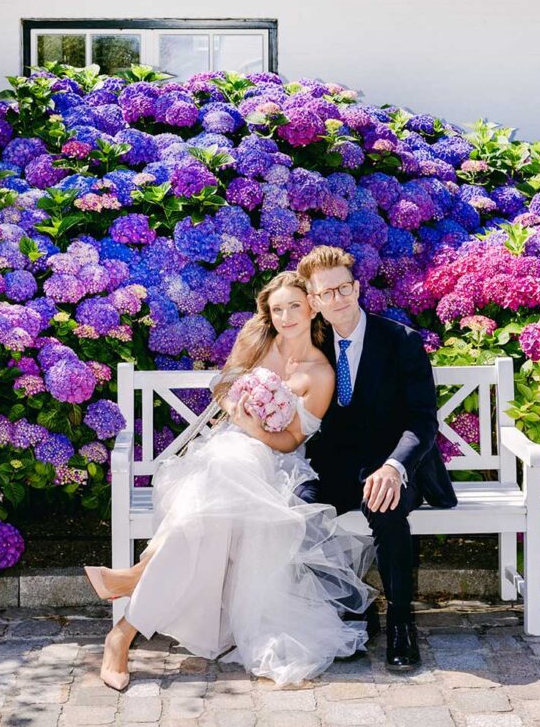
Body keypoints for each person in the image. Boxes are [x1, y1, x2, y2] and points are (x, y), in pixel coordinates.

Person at [84, 271, 376, 690]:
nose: (286, 316)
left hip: (272, 462)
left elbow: (292, 438)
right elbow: (223, 388)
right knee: (214, 506)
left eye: (295, 305)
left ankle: (129, 609)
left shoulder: (322, 372)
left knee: (213, 503)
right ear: (269, 314)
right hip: (224, 449)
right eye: (277, 309)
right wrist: (241, 403)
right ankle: (123, 627)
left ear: (312, 306)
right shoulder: (255, 341)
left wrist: (253, 424)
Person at [295, 245, 458, 671]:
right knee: (294, 510)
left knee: (385, 509)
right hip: (335, 468)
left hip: (392, 465)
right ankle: (353, 602)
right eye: (326, 293)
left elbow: (423, 421)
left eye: (344, 288)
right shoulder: (311, 346)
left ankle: (401, 622)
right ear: (313, 301)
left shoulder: (400, 340)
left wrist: (394, 467)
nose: (338, 299)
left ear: (357, 286)